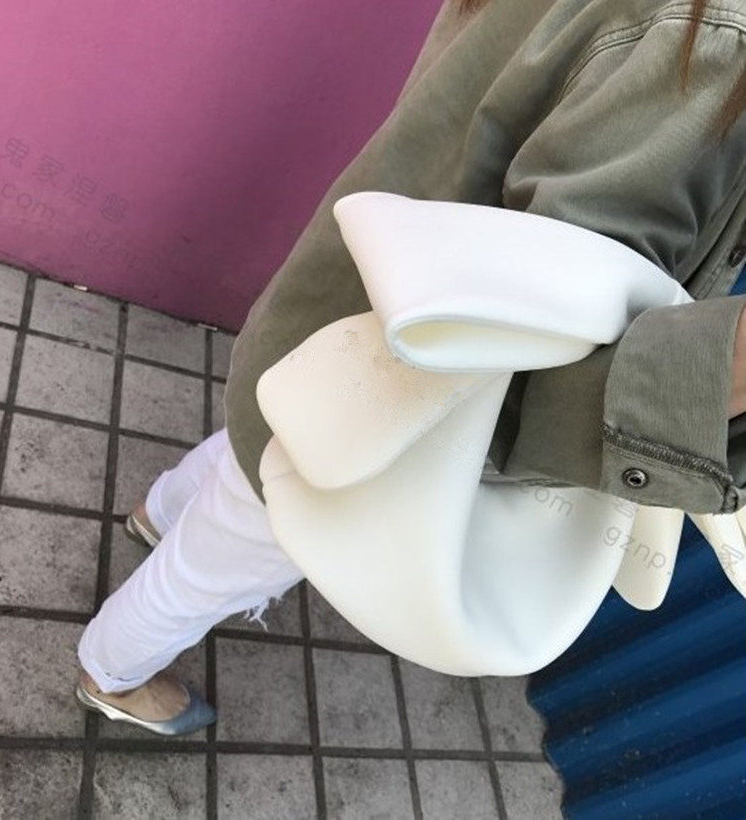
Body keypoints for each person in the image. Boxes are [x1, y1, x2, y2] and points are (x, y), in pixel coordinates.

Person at [75, 0, 746, 734]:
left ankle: (158, 513)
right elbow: (526, 356)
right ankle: (111, 673)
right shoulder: (713, 43)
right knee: (223, 555)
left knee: (251, 455)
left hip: (337, 311)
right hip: (383, 389)